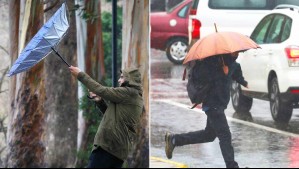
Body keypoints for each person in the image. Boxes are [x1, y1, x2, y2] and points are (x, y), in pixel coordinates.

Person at [165, 52, 248, 168]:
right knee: (225, 135)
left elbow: (236, 75)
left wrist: (244, 82)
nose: (236, 54)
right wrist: (221, 73)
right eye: (234, 52)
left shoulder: (233, 64)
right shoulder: (212, 62)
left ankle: (175, 140)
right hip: (212, 104)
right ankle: (232, 166)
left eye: (238, 52)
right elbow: (203, 77)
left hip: (220, 105)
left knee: (209, 135)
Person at [69, 66, 144, 168]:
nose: (119, 80)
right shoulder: (134, 96)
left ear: (130, 79)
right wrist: (100, 101)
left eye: (122, 77)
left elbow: (101, 90)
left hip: (108, 148)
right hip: (116, 150)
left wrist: (80, 75)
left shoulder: (129, 93)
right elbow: (113, 118)